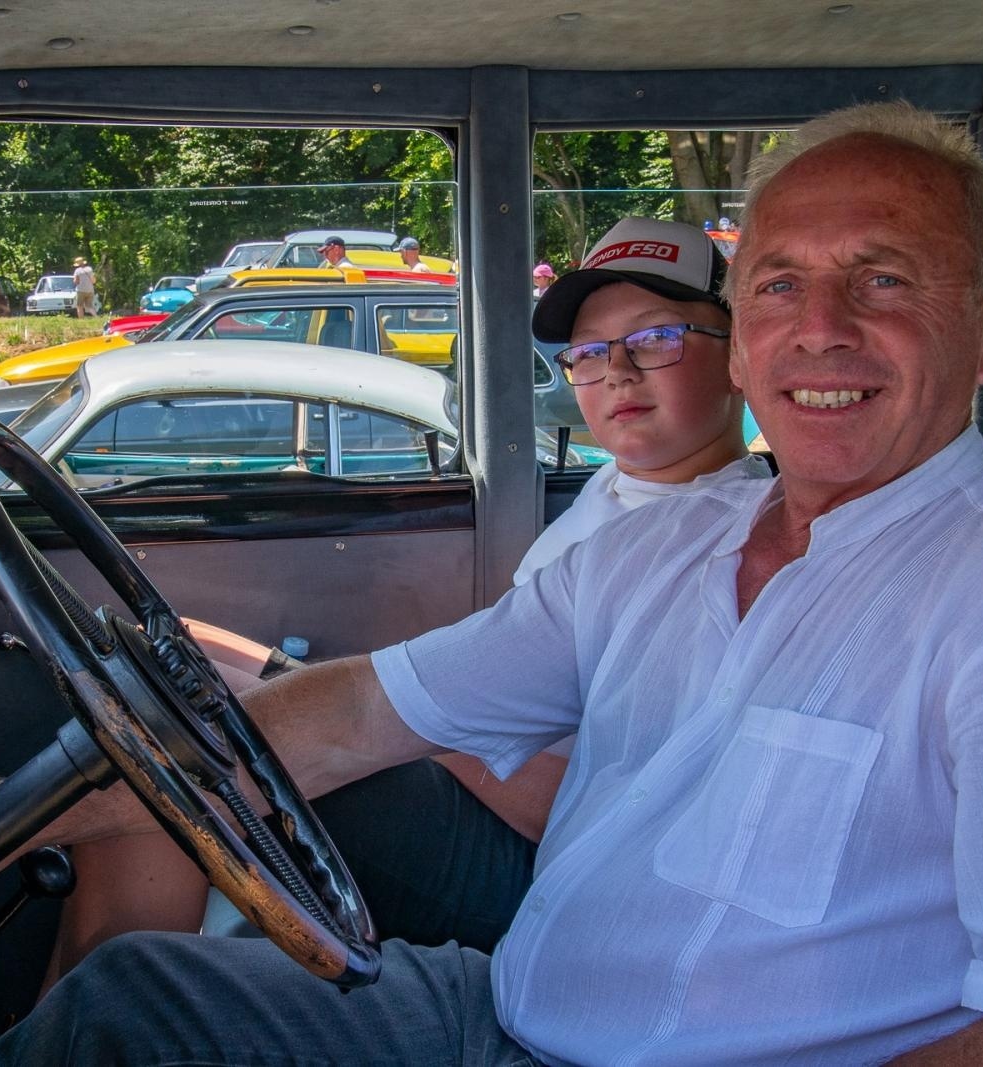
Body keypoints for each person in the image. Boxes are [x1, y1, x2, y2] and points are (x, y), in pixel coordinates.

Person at [0, 102, 983, 1065]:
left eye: (884, 280)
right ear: (747, 344)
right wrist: (4, 813)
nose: (822, 329)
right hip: (504, 1010)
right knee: (133, 1005)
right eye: (783, 285)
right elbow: (350, 713)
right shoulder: (653, 547)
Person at [41, 217, 765, 977]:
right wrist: (344, 700)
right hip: (474, 781)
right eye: (588, 351)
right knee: (168, 667)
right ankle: (74, 1009)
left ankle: (95, 1011)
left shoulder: (723, 549)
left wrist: (413, 728)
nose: (616, 369)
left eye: (656, 338)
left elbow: (587, 803)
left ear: (739, 355)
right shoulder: (622, 490)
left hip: (540, 870)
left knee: (175, 746)